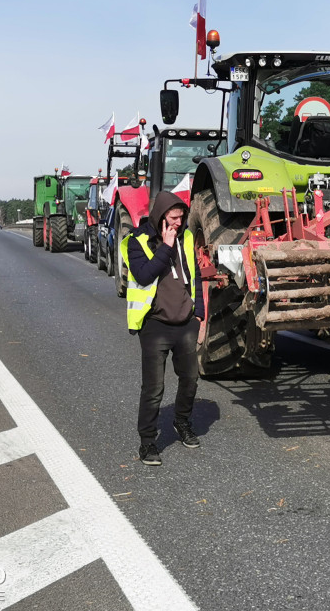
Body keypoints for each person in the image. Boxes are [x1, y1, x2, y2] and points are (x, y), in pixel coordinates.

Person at [121, 191, 204, 466]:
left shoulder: (187, 237)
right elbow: (143, 276)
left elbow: (196, 276)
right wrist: (166, 247)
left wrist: (199, 314)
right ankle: (147, 443)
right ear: (160, 216)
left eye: (181, 218)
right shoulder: (137, 241)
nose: (179, 223)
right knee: (154, 388)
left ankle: (182, 423)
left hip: (185, 323)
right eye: (174, 218)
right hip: (155, 325)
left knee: (190, 379)